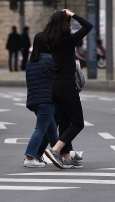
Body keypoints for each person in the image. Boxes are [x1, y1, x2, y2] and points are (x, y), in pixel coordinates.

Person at [43, 9, 93, 169]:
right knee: (78, 123)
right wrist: (72, 14)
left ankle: (66, 158)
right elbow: (88, 26)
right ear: (65, 24)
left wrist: (64, 16)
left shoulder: (51, 41)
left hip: (55, 86)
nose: (70, 24)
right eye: (69, 22)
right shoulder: (68, 41)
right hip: (66, 86)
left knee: (64, 122)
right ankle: (56, 150)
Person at [23, 32, 60, 168]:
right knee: (40, 129)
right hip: (47, 99)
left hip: (35, 101)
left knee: (51, 130)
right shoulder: (50, 59)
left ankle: (60, 155)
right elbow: (57, 79)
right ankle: (29, 157)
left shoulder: (30, 62)